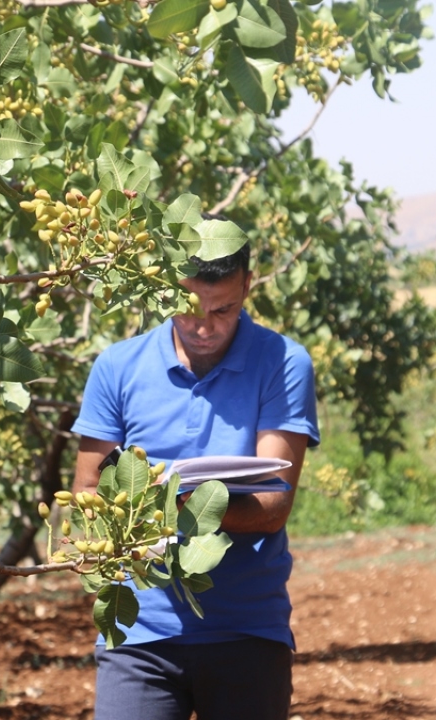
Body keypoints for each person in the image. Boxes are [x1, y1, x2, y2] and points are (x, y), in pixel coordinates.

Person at [69, 242, 319, 720]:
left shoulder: (284, 363)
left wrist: (178, 506)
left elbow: (272, 507)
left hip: (247, 629)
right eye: (189, 308)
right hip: (137, 632)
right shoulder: (117, 367)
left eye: (223, 310)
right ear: (165, 290)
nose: (204, 327)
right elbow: (86, 493)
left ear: (248, 286)